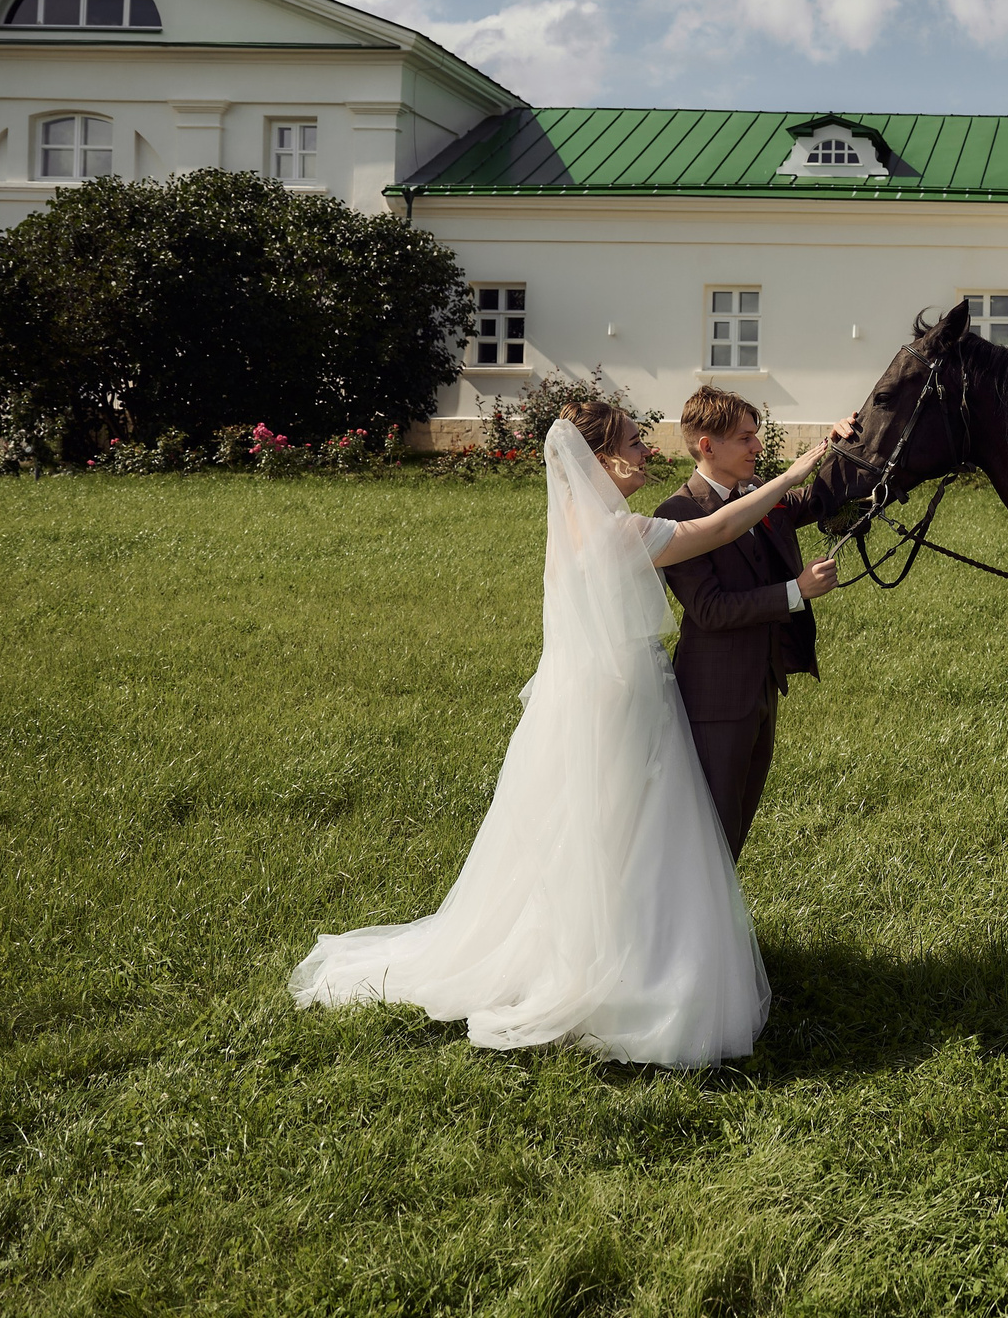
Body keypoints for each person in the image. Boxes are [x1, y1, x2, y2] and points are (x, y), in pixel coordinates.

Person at [289, 401, 847, 1069]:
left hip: (610, 692)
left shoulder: (588, 525)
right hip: (621, 704)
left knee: (617, 838)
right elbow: (722, 524)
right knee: (618, 834)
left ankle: (635, 946)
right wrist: (797, 471)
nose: (646, 452)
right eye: (635, 444)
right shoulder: (618, 531)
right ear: (600, 459)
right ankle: (621, 964)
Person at [654, 387, 843, 860]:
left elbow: (816, 497)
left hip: (761, 684)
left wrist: (841, 446)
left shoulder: (757, 494)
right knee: (711, 829)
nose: (758, 447)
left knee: (736, 824)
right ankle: (692, 932)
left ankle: (716, 929)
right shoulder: (677, 514)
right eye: (745, 439)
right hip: (715, 697)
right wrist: (796, 591)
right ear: (708, 446)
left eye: (755, 436)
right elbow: (710, 609)